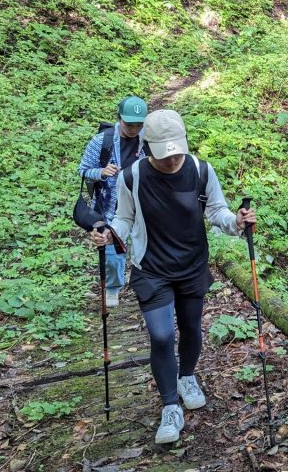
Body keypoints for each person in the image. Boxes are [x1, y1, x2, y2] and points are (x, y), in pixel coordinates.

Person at [90, 109, 256, 445]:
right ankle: (170, 406)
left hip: (193, 265)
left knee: (192, 327)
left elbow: (217, 211)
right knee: (162, 336)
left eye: (176, 151)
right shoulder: (132, 177)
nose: (171, 159)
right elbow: (124, 218)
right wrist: (110, 233)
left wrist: (236, 223)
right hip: (152, 268)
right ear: (147, 147)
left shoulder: (200, 170)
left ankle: (187, 376)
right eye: (164, 153)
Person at [77, 96, 149, 307]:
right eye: (129, 124)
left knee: (144, 245)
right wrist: (102, 172)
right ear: (119, 119)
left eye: (139, 124)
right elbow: (83, 170)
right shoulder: (102, 141)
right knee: (112, 249)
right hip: (109, 206)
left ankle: (144, 284)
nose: (134, 129)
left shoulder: (149, 140)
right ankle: (112, 288)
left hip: (141, 203)